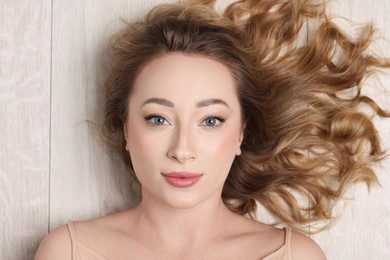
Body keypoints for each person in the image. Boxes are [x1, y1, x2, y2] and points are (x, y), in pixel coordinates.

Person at [35, 0, 389, 259]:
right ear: (126, 129)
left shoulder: (294, 257)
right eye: (158, 119)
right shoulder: (67, 251)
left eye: (210, 121)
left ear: (241, 134)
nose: (182, 149)